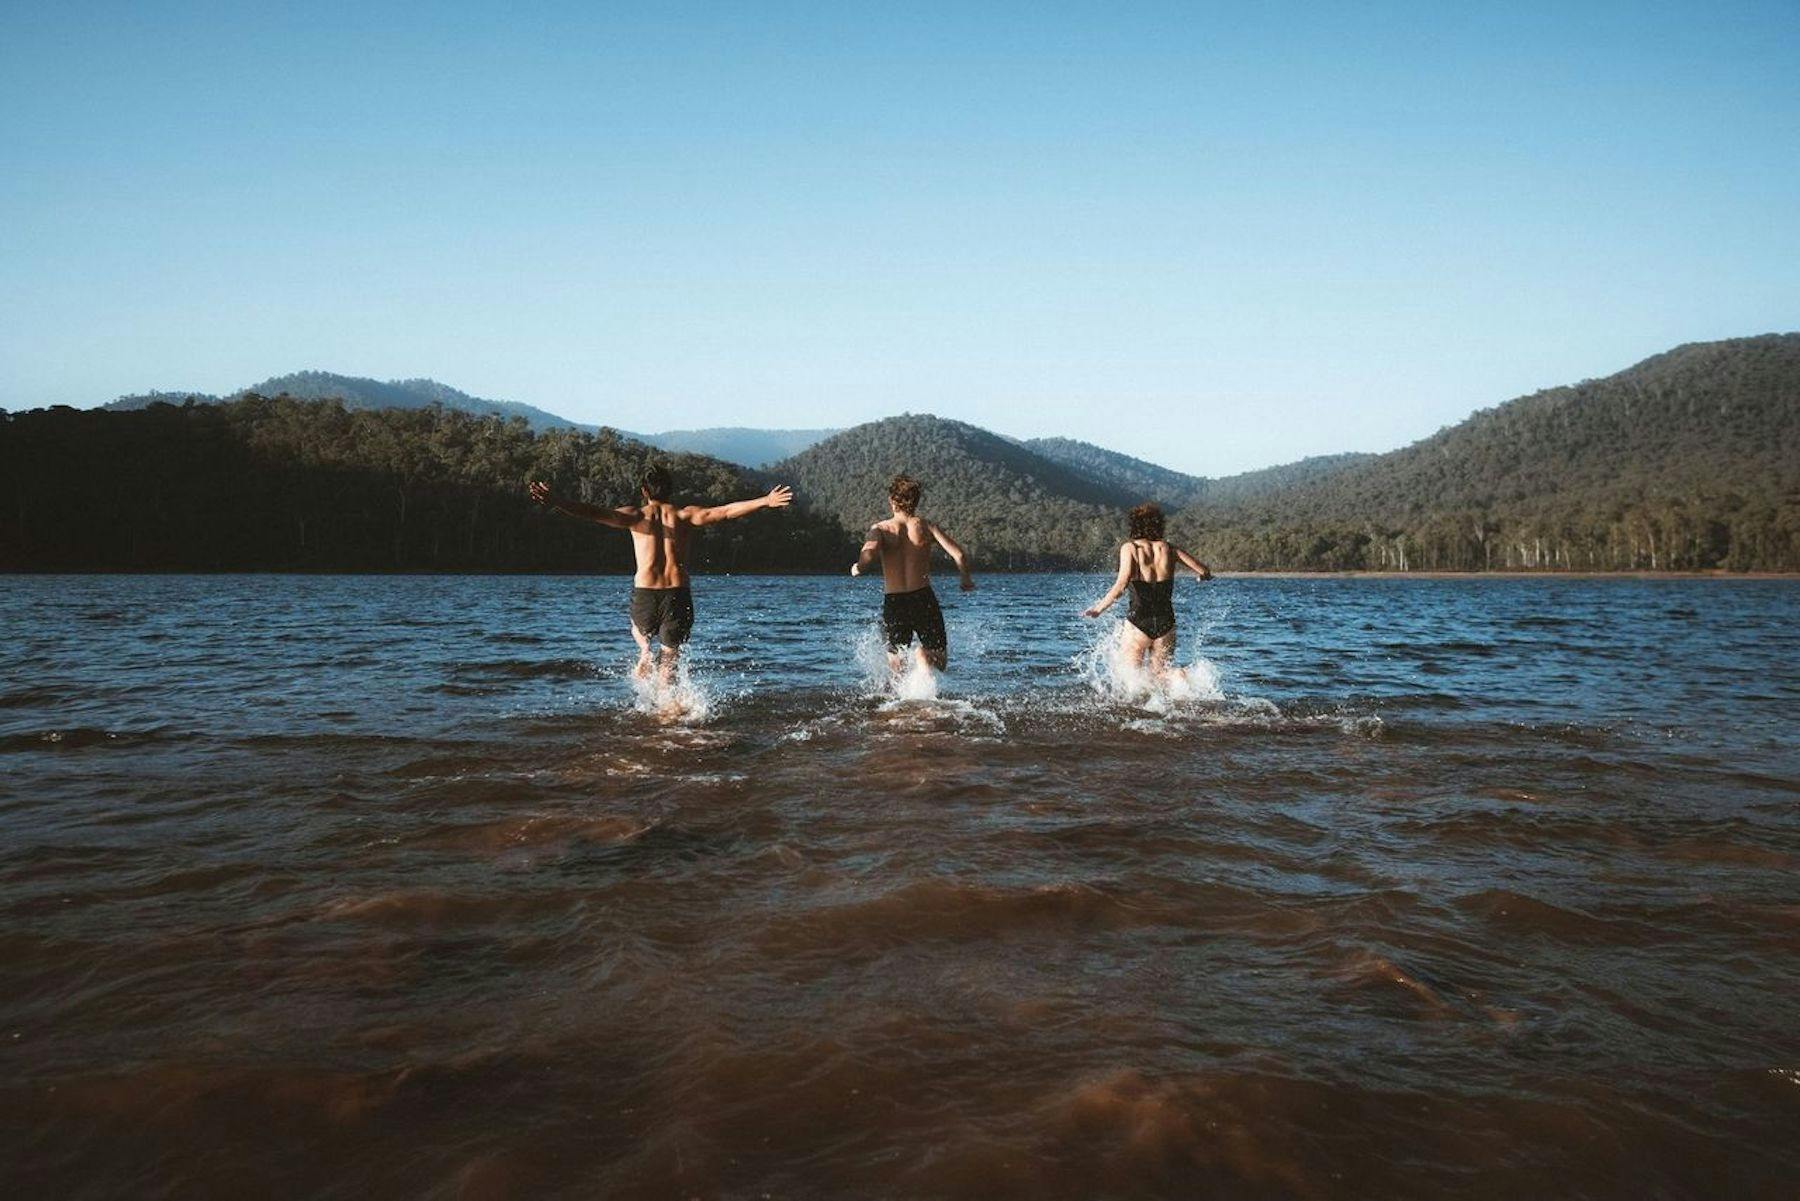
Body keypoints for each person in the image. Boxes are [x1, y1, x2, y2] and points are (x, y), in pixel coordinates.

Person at [528, 466, 792, 686]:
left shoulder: (635, 516)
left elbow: (595, 512)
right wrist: (764, 501)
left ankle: (644, 651)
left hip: (645, 592)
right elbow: (723, 511)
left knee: (638, 629)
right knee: (670, 657)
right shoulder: (684, 516)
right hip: (677, 593)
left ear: (644, 491)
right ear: (671, 490)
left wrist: (557, 501)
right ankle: (669, 712)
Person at [851, 474, 974, 675]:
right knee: (939, 660)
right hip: (923, 598)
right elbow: (958, 554)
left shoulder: (880, 529)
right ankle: (923, 656)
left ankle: (901, 702)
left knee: (896, 663)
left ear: (891, 501)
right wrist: (965, 578)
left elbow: (867, 557)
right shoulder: (927, 527)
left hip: (894, 601)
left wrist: (857, 568)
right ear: (916, 501)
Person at [1082, 502, 1213, 677]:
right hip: (1166, 623)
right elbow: (1204, 570)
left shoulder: (1130, 549)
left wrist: (1098, 609)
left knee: (1130, 679)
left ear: (1134, 525)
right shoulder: (1169, 549)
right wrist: (1202, 577)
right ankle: (1178, 675)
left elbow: (1121, 585)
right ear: (1158, 525)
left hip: (1138, 622)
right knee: (1161, 676)